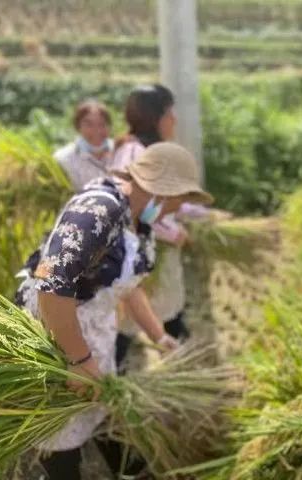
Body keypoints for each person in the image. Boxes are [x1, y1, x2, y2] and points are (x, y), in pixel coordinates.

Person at [15, 142, 213, 480]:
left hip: (94, 325)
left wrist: (159, 336)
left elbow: (127, 286)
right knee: (60, 422)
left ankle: (129, 470)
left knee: (100, 404)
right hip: (55, 327)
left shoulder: (139, 219)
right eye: (181, 200)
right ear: (162, 191)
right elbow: (52, 287)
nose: (178, 209)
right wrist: (78, 359)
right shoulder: (96, 210)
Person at [112, 85, 206, 362]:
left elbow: (166, 199)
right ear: (154, 117)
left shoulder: (145, 150)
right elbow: (137, 207)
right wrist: (173, 233)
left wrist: (204, 214)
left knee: (158, 314)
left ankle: (182, 368)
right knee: (132, 320)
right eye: (169, 112)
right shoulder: (135, 153)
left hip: (152, 254)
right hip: (141, 254)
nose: (174, 119)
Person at [54, 99, 115, 192]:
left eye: (102, 124)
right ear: (78, 126)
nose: (97, 130)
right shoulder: (63, 159)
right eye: (89, 124)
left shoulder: (121, 151)